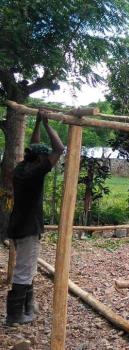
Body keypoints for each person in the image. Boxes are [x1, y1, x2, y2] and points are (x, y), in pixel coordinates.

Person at [5, 110, 64, 326]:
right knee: (24, 270)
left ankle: (27, 308)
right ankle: (14, 315)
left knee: (27, 267)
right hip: (28, 227)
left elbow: (35, 144)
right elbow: (60, 149)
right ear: (40, 159)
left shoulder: (22, 167)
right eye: (44, 156)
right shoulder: (35, 173)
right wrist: (48, 124)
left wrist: (38, 122)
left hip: (18, 226)